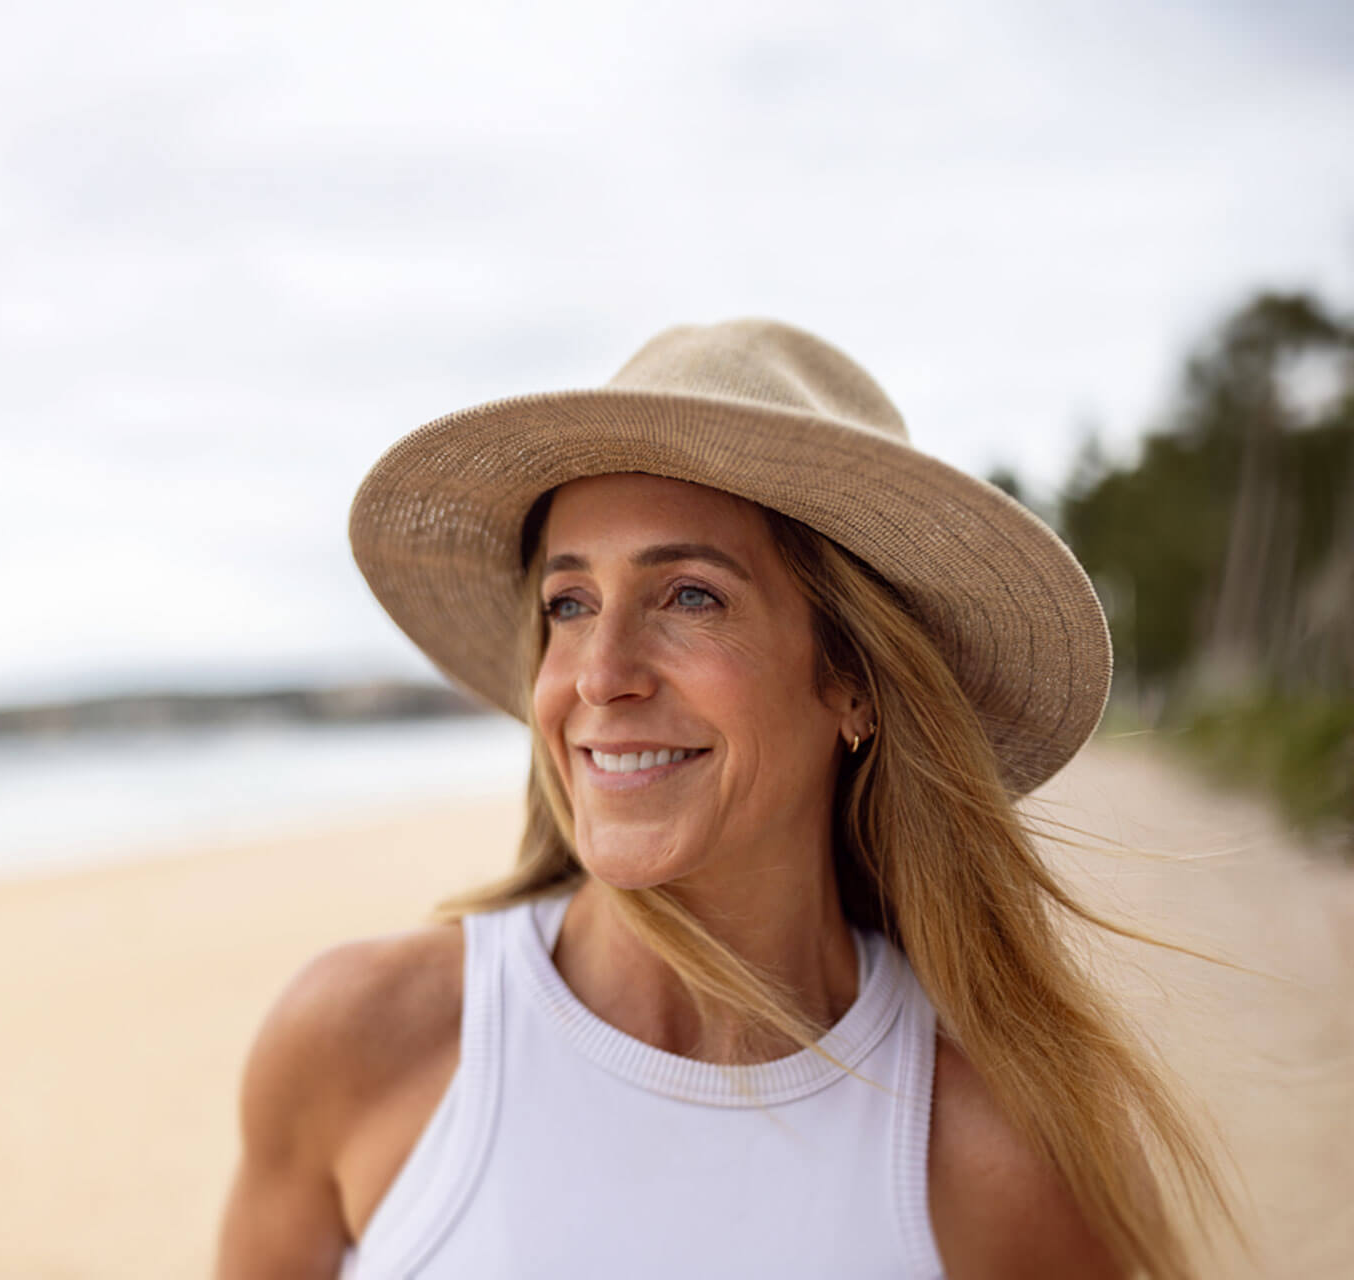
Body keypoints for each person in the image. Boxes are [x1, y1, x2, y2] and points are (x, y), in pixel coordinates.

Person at [214, 320, 1231, 1278]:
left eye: (690, 594)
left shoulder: (999, 1152)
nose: (601, 674)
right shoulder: (361, 1040)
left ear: (852, 679)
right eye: (570, 603)